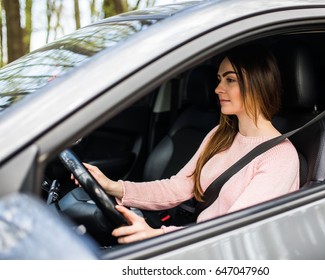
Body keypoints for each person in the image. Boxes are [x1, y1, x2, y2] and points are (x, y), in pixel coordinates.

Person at [73, 44, 300, 244]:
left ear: (258, 83)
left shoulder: (280, 157)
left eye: (230, 79)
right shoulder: (220, 134)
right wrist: (111, 186)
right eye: (219, 79)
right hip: (196, 242)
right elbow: (178, 187)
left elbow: (233, 233)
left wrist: (155, 236)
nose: (217, 89)